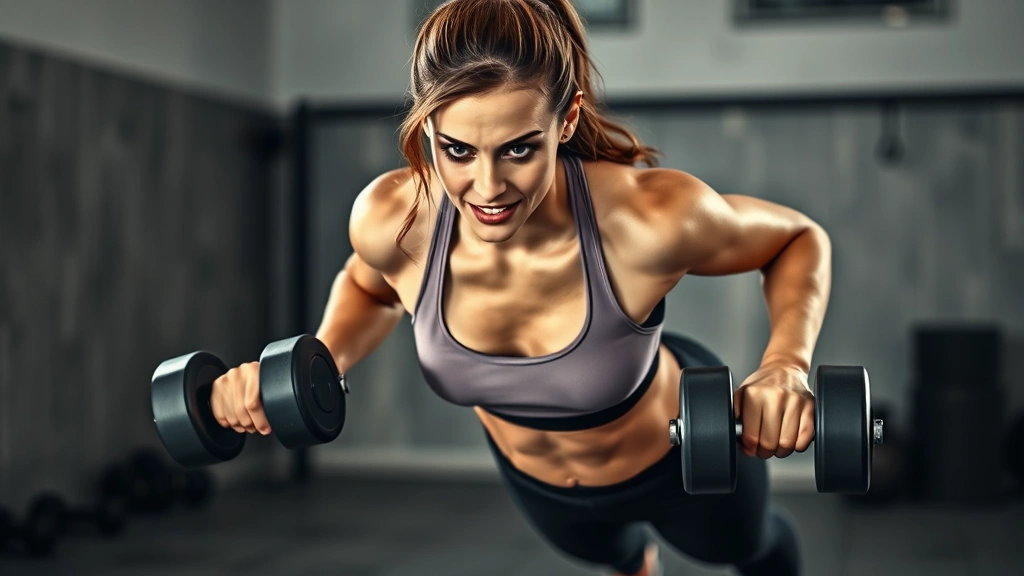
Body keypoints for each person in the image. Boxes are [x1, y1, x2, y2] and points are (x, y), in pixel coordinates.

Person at [211, 1, 829, 574]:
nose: (487, 188)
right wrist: (317, 362)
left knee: (754, 552)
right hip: (543, 493)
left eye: (518, 150)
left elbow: (797, 239)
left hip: (684, 468)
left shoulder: (649, 220)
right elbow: (370, 288)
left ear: (567, 120)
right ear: (427, 126)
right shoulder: (394, 221)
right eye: (457, 150)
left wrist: (785, 365)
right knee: (621, 561)